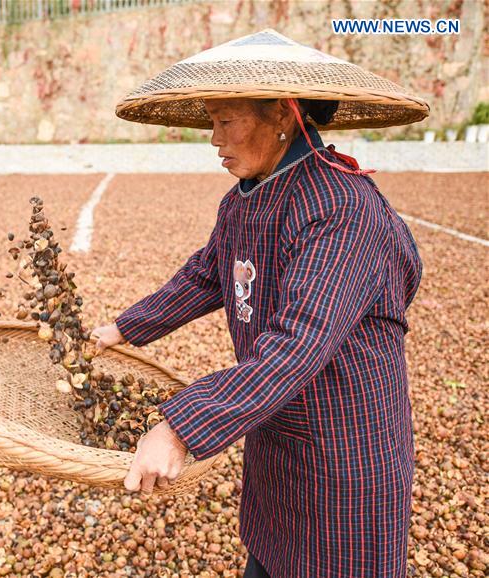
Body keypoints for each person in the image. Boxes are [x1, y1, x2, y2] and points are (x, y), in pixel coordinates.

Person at [93, 29, 429, 578]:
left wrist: (180, 425)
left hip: (344, 447)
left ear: (283, 115)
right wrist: (120, 329)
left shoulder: (342, 207)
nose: (213, 138)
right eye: (211, 121)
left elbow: (300, 341)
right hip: (275, 424)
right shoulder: (245, 198)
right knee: (271, 555)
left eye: (226, 121)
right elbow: (208, 274)